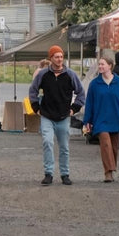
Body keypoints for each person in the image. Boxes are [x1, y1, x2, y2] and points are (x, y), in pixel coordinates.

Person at [28, 45, 86, 185]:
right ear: (51, 58)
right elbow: (33, 90)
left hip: (63, 116)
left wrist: (74, 109)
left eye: (61, 56)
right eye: (56, 57)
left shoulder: (70, 75)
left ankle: (65, 174)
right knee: (47, 142)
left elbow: (81, 93)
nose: (59, 59)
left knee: (64, 147)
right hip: (47, 115)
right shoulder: (43, 74)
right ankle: (48, 173)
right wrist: (36, 108)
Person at [82, 52, 119, 183]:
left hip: (116, 118)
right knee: (105, 144)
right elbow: (89, 103)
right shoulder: (94, 84)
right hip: (100, 120)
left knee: (114, 146)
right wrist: (87, 121)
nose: (100, 66)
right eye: (99, 64)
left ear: (110, 66)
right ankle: (108, 172)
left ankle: (111, 169)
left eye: (102, 64)